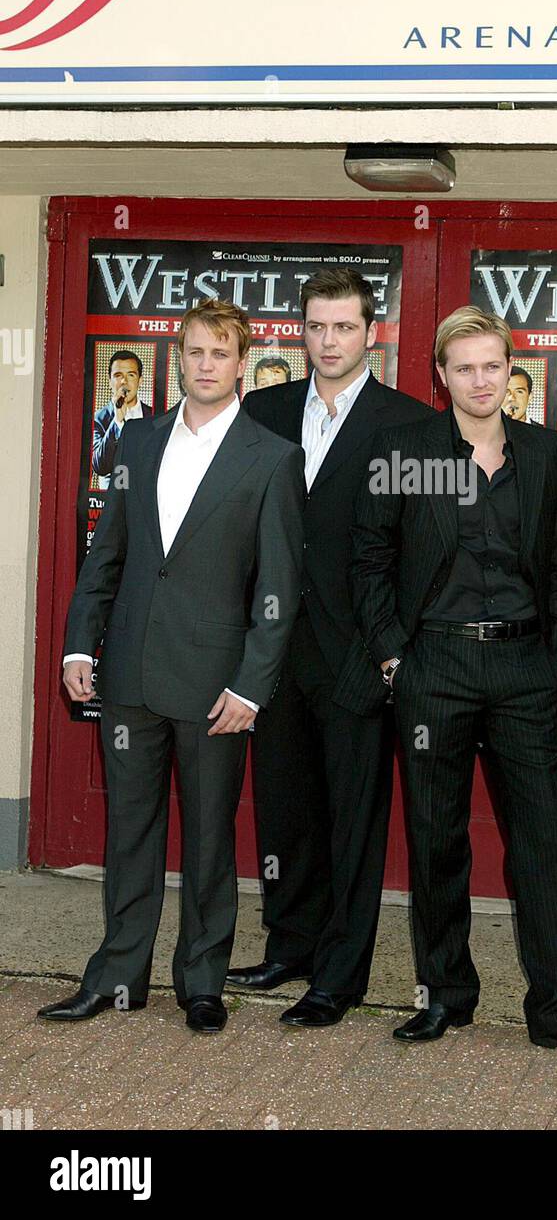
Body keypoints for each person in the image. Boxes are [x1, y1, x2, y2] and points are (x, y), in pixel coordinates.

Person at [348, 306, 557, 1059]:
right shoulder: (403, 448)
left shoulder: (543, 454)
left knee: (546, 842)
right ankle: (445, 995)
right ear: (441, 376)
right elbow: (369, 559)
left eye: (492, 365)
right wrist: (392, 658)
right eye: (464, 366)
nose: (480, 379)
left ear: (511, 371)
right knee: (436, 840)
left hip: (524, 669)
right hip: (432, 667)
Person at [40, 298, 304, 1034]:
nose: (206, 365)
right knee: (129, 836)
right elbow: (107, 553)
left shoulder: (273, 458)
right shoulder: (140, 441)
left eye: (220, 353)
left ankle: (201, 984)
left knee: (210, 840)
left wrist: (252, 684)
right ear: (179, 357)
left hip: (216, 686)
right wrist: (77, 644)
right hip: (129, 676)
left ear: (240, 362)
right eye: (194, 352)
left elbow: (279, 588)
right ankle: (116, 977)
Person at [226, 268, 434, 1027]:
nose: (329, 341)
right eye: (316, 326)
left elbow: (418, 551)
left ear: (369, 332)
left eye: (343, 327)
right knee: (285, 810)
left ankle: (339, 977)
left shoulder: (408, 422)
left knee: (353, 822)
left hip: (357, 656)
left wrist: (388, 652)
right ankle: (291, 946)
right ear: (301, 331)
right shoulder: (265, 410)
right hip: (273, 655)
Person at [92, 350, 154, 483]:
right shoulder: (98, 418)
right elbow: (100, 466)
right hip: (111, 497)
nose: (124, 381)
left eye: (131, 375)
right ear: (109, 382)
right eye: (118, 375)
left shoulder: (155, 415)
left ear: (140, 380)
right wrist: (117, 421)